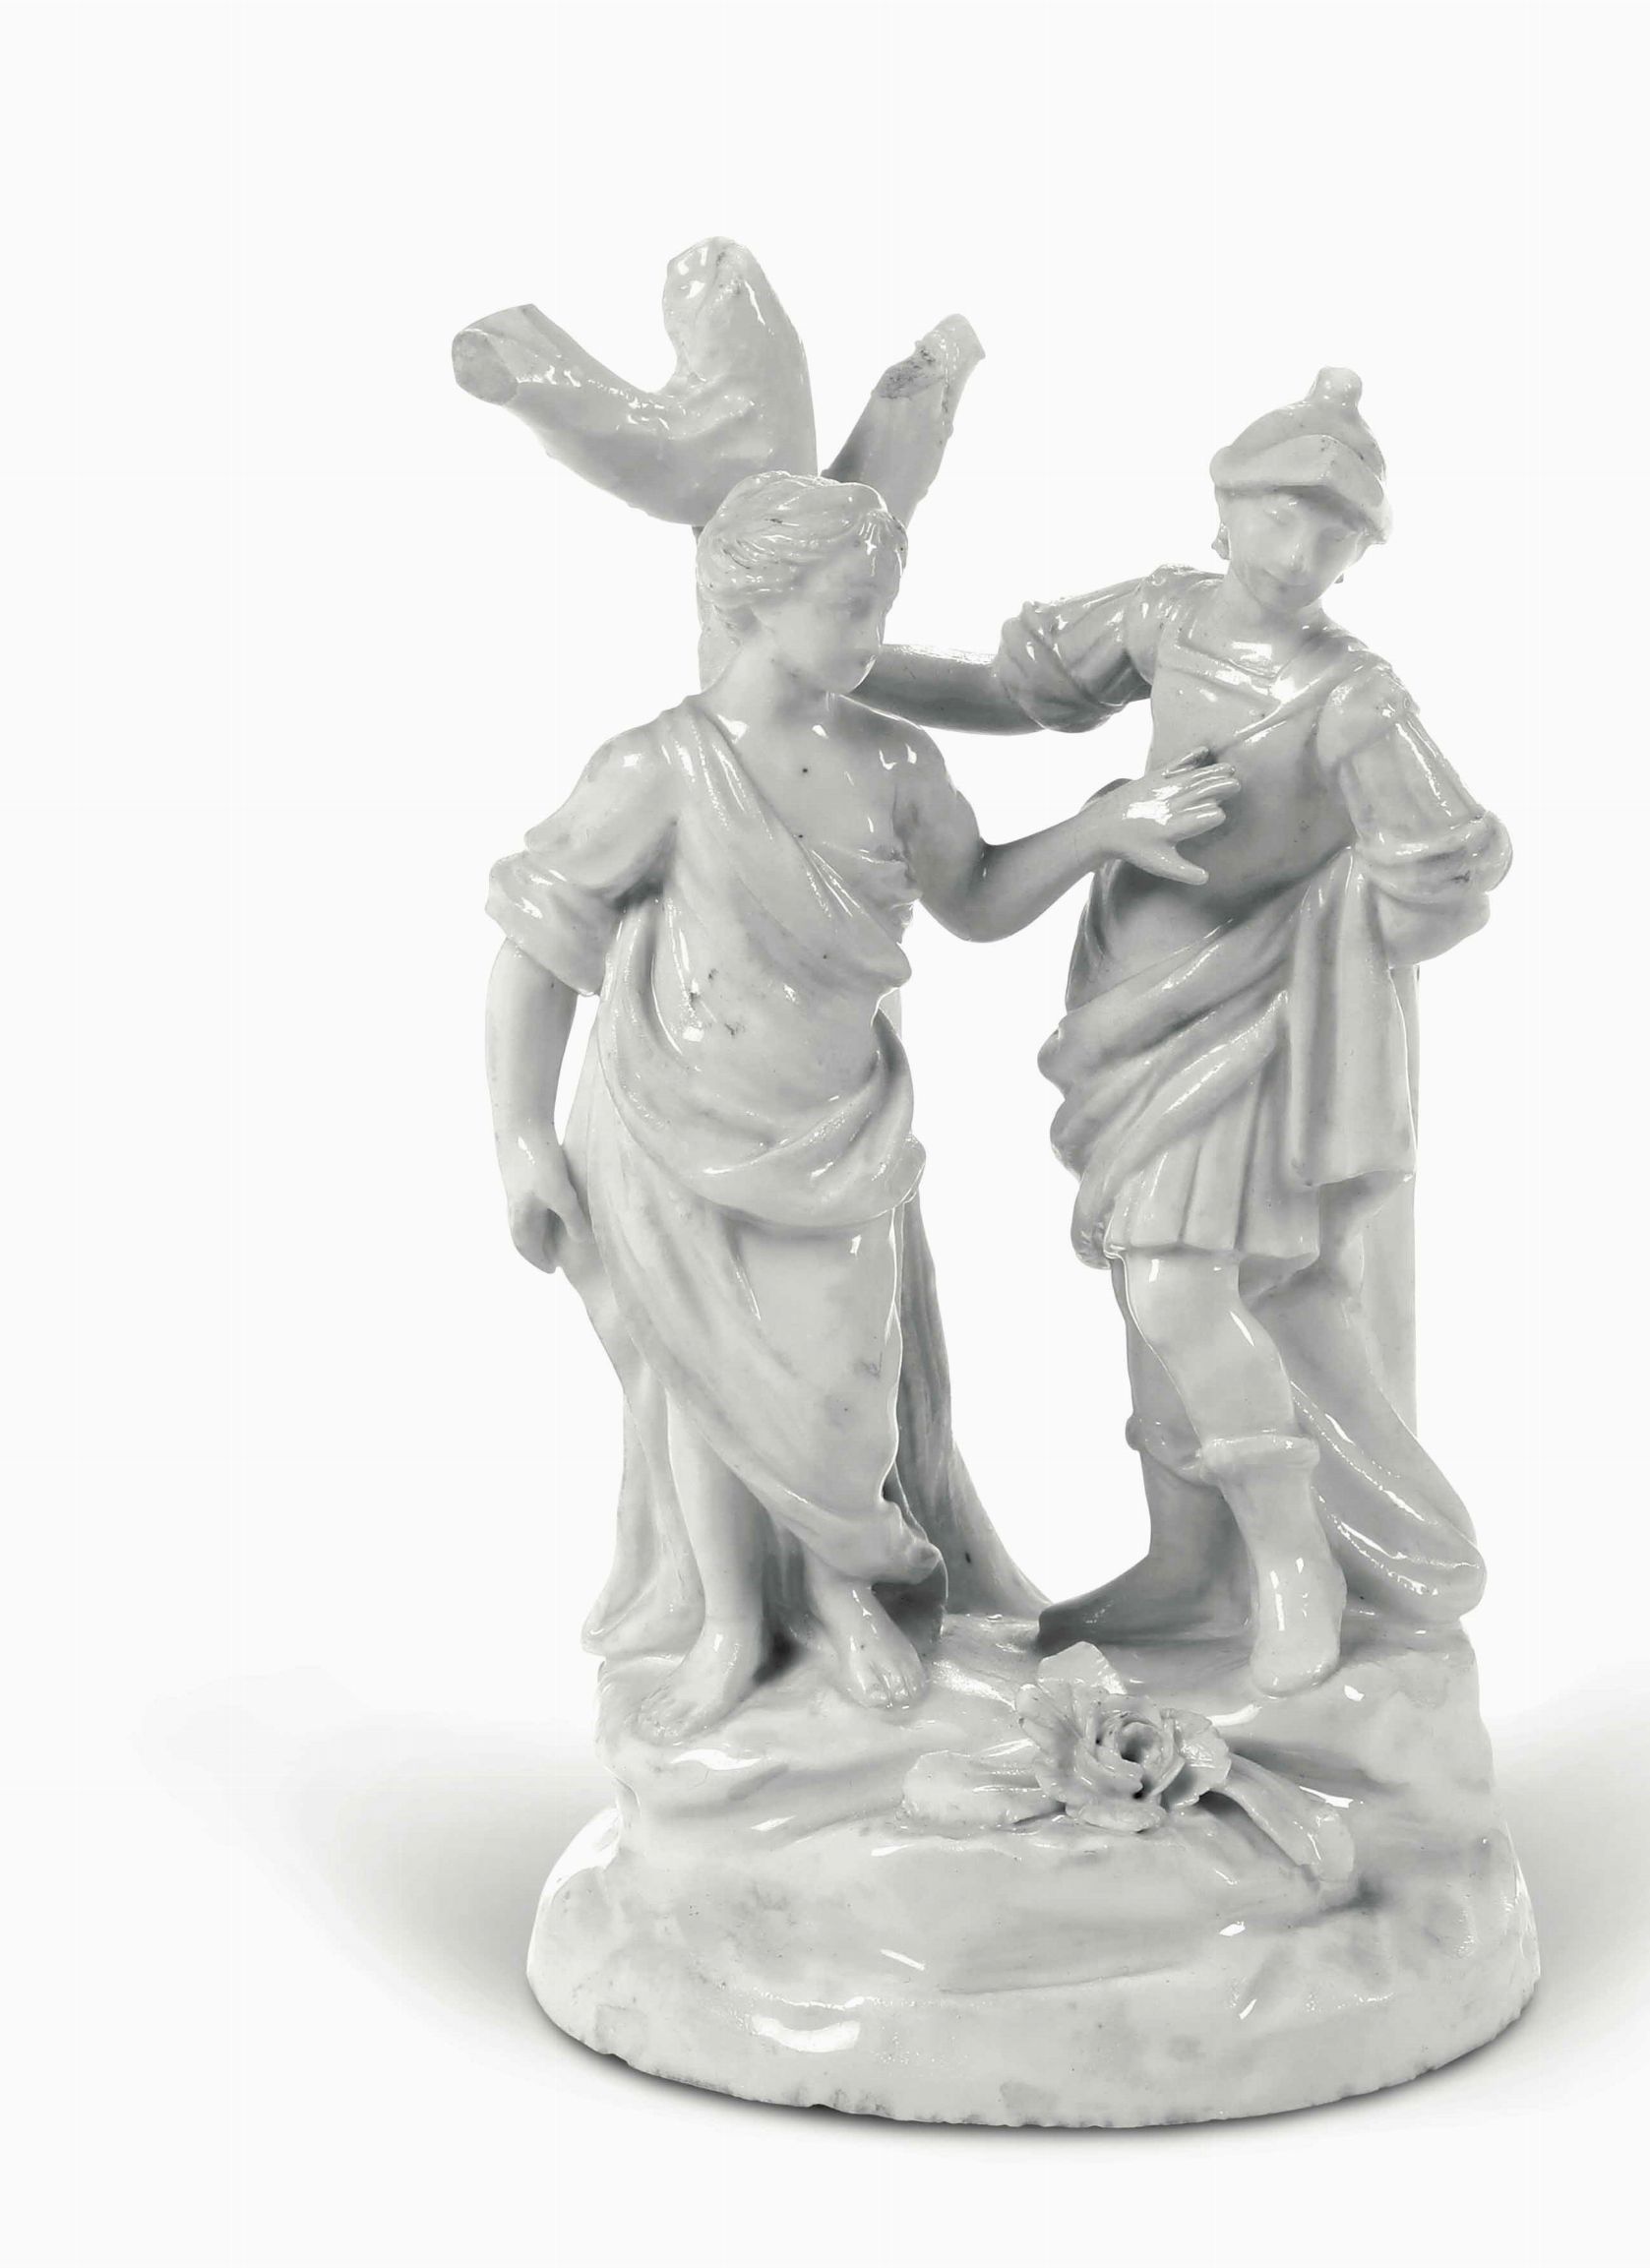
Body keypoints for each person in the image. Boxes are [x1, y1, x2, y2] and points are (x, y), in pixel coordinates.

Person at [484, 471, 1234, 1740]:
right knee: (706, 1389)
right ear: (755, 603)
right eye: (846, 607)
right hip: (672, 1124)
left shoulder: (893, 760)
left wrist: (1098, 831)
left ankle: (844, 1594)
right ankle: (734, 1624)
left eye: (881, 605)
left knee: (844, 1383)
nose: (872, 635)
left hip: (837, 1126)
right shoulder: (658, 768)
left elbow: (976, 898)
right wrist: (519, 1135)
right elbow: (533, 948)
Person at [855, 373, 1512, 1693]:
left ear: (1358, 555)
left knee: (1179, 1282)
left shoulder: (1352, 699)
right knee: (1150, 1282)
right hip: (1129, 996)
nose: (1299, 548)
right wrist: (850, 671)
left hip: (1253, 1018)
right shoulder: (1165, 617)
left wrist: (1340, 918)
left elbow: (1452, 858)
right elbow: (1016, 689)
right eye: (1279, 513)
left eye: (1333, 531)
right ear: (1225, 509)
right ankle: (1187, 1562)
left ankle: (1291, 1563)